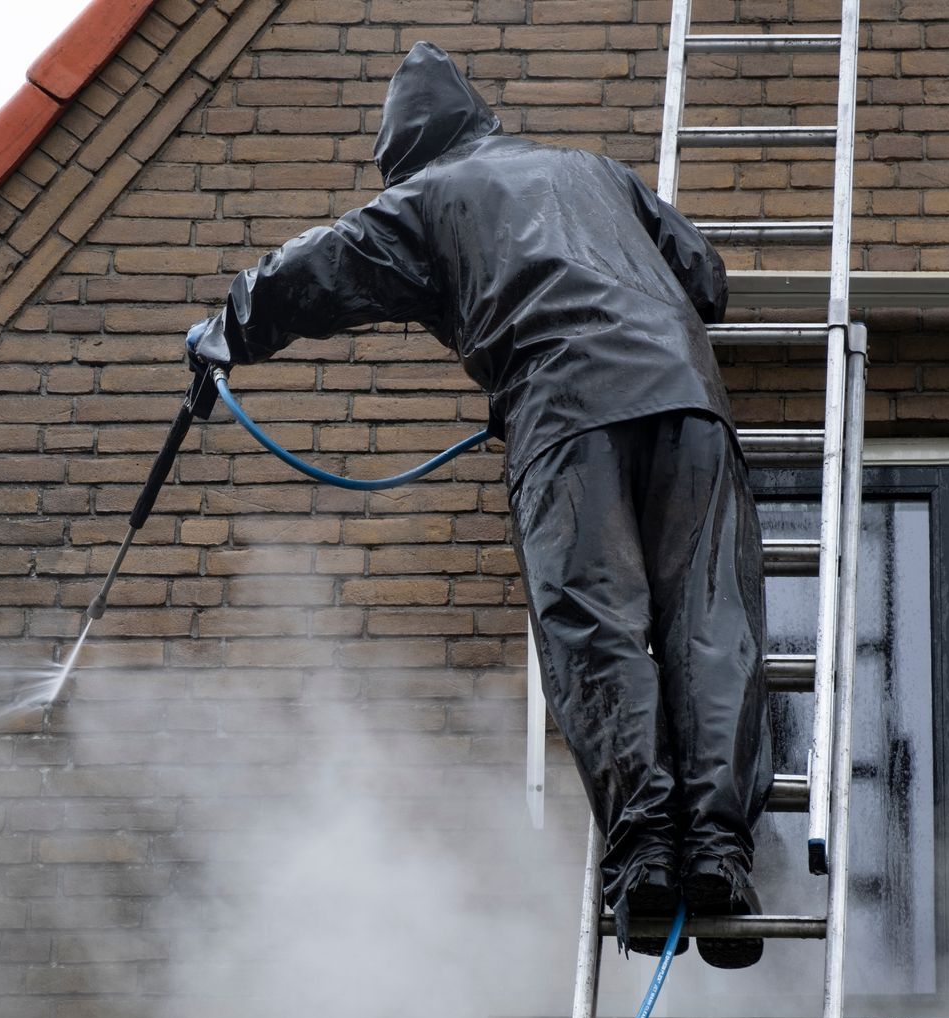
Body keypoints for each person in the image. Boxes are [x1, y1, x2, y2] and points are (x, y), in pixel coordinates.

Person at [186, 42, 772, 969]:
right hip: (688, 400)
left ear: (410, 153)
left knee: (595, 622)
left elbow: (314, 271)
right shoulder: (594, 172)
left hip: (568, 411)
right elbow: (707, 280)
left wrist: (224, 331)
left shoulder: (427, 197)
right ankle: (724, 855)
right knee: (711, 618)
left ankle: (650, 854)